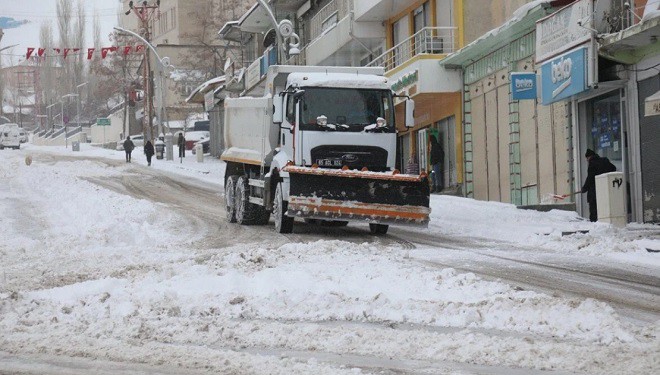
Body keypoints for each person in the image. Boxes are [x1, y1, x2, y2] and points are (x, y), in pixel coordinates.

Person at [580, 149, 617, 222]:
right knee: (604, 206)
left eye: (587, 159)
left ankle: (594, 223)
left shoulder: (592, 163)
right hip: (605, 189)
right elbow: (613, 168)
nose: (587, 160)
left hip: (594, 190)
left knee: (593, 208)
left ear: (589, 157)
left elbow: (590, 177)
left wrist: (584, 188)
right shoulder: (604, 160)